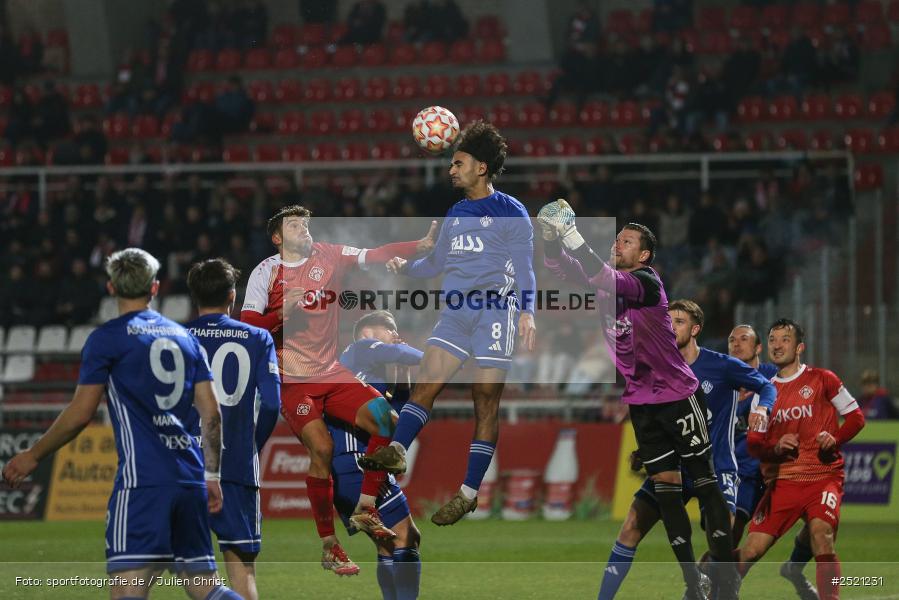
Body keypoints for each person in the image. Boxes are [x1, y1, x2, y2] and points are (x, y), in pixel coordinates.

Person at [2, 248, 241, 600]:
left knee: (128, 589)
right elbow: (212, 415)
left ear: (111, 287)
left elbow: (82, 412)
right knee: (206, 588)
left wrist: (34, 455)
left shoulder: (107, 339)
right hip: (191, 480)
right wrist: (212, 477)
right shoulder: (186, 338)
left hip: (142, 484)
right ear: (155, 288)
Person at [537, 199, 739, 599]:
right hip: (642, 403)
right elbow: (562, 269)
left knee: (704, 481)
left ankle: (726, 582)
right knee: (666, 493)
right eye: (617, 239)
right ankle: (691, 585)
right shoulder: (605, 282)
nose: (618, 243)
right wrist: (549, 240)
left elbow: (604, 276)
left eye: (626, 241)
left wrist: (571, 232)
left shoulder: (647, 282)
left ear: (643, 254)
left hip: (678, 395)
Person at [240, 205, 437, 574]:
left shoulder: (328, 255)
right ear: (278, 237)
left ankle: (364, 507)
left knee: (386, 418)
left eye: (306, 224)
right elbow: (250, 328)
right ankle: (329, 545)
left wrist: (419, 245)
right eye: (295, 225)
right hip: (293, 381)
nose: (304, 229)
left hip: (330, 372)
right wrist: (280, 316)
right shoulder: (265, 273)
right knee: (324, 449)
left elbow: (375, 255)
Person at [359, 121, 538, 527]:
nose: (451, 170)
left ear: (482, 167)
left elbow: (526, 270)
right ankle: (398, 450)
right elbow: (436, 265)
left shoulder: (511, 211)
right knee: (426, 384)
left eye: (459, 163)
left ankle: (469, 493)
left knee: (484, 401)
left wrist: (528, 311)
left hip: (496, 310)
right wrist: (408, 267)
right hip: (456, 312)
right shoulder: (455, 214)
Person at [596, 301, 776, 600]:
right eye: (667, 321)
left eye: (678, 321)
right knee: (629, 528)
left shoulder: (721, 365)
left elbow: (768, 388)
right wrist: (644, 449)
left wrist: (764, 409)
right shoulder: (656, 369)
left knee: (724, 535)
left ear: (695, 329)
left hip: (715, 467)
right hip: (672, 470)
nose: (670, 326)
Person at [737, 318, 866, 600]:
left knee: (821, 534)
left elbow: (856, 418)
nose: (777, 345)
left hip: (823, 477)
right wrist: (776, 447)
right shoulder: (764, 394)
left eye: (785, 339)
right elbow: (755, 444)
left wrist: (836, 439)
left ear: (799, 347)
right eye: (772, 339)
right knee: (751, 550)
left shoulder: (823, 379)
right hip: (783, 482)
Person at [185, 259, 281, 600]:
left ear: (194, 296)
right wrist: (251, 445)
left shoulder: (177, 338)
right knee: (241, 567)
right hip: (237, 464)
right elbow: (271, 404)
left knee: (193, 572)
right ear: (232, 295)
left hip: (186, 465)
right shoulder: (258, 338)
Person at [335, 310, 424, 599]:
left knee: (387, 546)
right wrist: (442, 358)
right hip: (358, 461)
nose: (395, 336)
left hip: (352, 464)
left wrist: (402, 369)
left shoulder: (366, 371)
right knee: (407, 537)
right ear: (370, 332)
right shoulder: (360, 348)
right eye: (391, 330)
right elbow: (400, 350)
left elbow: (399, 409)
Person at [726, 324, 778, 546]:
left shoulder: (773, 376)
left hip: (754, 468)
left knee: (736, 525)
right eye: (731, 339)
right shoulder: (721, 379)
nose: (736, 343)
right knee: (723, 529)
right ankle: (710, 574)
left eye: (744, 339)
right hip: (725, 465)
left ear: (758, 348)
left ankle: (710, 575)